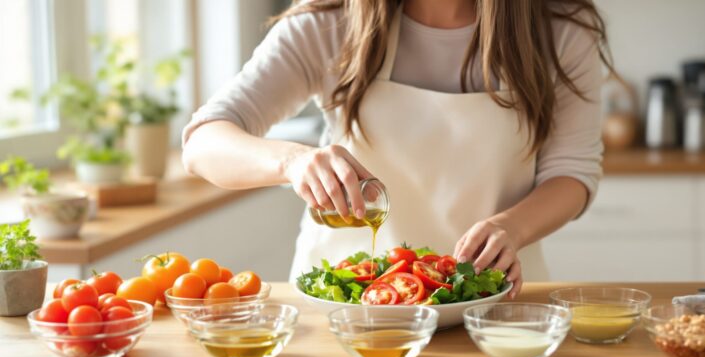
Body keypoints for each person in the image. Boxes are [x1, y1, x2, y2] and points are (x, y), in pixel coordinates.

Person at [182, 0, 609, 297]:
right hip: (349, 307)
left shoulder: (561, 31)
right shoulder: (327, 24)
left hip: (496, 301)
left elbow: (572, 173)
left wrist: (512, 228)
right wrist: (293, 162)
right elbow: (202, 142)